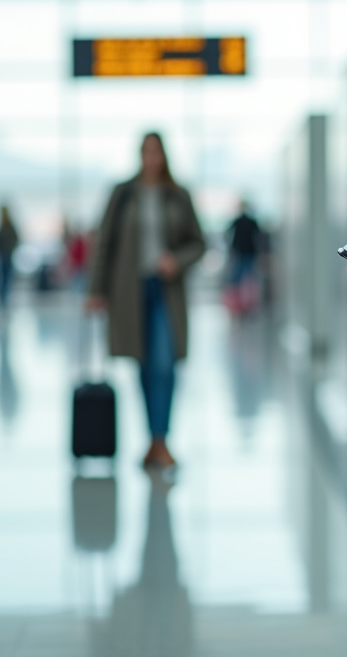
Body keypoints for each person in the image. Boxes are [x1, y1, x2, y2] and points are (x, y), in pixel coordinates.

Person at [86, 132, 205, 470]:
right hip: (130, 290)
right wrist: (96, 290)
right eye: (146, 152)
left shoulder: (178, 195)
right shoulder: (123, 194)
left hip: (165, 289)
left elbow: (198, 243)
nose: (151, 158)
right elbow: (104, 243)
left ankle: (161, 439)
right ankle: (152, 441)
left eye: (156, 152)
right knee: (142, 363)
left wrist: (176, 260)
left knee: (164, 364)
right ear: (139, 155)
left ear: (164, 155)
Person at [224, 200, 265, 314]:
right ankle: (240, 304)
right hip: (242, 253)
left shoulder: (247, 222)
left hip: (246, 253)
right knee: (242, 278)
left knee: (245, 279)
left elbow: (259, 237)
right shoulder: (244, 221)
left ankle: (245, 304)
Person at [0, 205, 20, 307]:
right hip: (2, 256)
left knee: (6, 278)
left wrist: (9, 248)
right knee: (2, 278)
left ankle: (4, 299)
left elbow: (15, 240)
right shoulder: (1, 227)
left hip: (8, 255)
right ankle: (2, 299)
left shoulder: (9, 227)